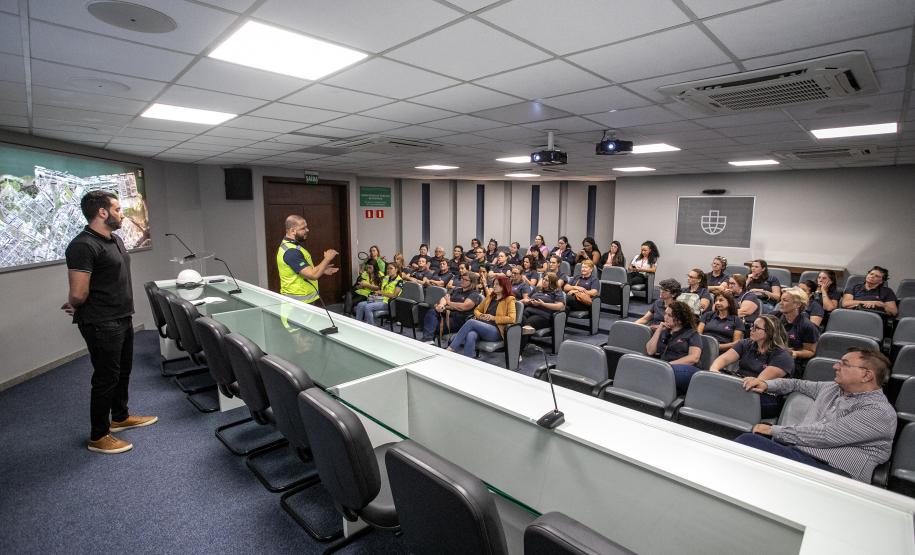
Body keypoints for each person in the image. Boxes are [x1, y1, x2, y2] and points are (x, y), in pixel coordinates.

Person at [62, 191, 157, 455]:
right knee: (106, 378)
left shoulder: (114, 239)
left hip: (122, 316)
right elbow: (78, 293)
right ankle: (98, 436)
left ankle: (120, 417)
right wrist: (75, 303)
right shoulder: (82, 245)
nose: (122, 213)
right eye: (117, 209)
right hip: (101, 322)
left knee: (123, 371)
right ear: (102, 212)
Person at [736, 349, 896, 483]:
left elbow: (826, 435)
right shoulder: (833, 388)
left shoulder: (879, 411)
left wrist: (773, 430)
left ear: (866, 375)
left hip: (837, 474)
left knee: (748, 442)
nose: (835, 366)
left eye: (844, 364)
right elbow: (796, 384)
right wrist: (766, 384)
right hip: (802, 456)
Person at [709, 314, 795, 418]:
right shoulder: (746, 343)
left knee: (722, 397)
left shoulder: (783, 356)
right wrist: (714, 369)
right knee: (710, 384)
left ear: (770, 332)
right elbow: (724, 359)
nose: (751, 329)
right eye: (752, 326)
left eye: (756, 328)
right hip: (741, 385)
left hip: (764, 395)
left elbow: (757, 383)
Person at [447, 275, 517, 358]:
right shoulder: (490, 297)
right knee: (471, 335)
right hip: (482, 327)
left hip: (496, 331)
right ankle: (468, 360)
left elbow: (512, 318)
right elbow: (477, 310)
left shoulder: (509, 299)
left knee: (471, 322)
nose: (494, 286)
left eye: (497, 284)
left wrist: (493, 318)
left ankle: (451, 348)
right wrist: (480, 315)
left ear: (504, 286)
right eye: (494, 284)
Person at [277, 214, 338, 304]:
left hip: (304, 301)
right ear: (292, 231)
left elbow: (305, 270)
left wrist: (322, 270)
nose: (307, 230)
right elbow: (312, 275)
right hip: (297, 305)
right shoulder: (291, 252)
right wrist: (327, 259)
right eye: (303, 228)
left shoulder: (292, 246)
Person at [646, 301, 703, 394]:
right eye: (665, 314)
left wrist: (668, 365)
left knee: (662, 372)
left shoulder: (692, 334)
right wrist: (659, 330)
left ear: (680, 319)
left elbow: (694, 358)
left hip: (686, 369)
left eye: (669, 315)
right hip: (666, 368)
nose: (665, 317)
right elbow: (650, 351)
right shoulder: (665, 331)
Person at [420, 272, 483, 343]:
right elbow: (445, 298)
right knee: (432, 312)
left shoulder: (474, 294)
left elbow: (464, 307)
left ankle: (428, 339)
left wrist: (449, 303)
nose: (462, 280)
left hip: (459, 319)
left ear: (472, 282)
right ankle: (428, 340)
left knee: (431, 325)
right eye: (462, 278)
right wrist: (441, 305)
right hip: (448, 314)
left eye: (465, 280)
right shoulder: (457, 290)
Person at [778, 287, 820, 367]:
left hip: (791, 363)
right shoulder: (774, 317)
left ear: (797, 304)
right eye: (781, 300)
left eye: (785, 300)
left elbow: (810, 351)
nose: (780, 303)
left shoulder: (807, 326)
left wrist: (795, 353)